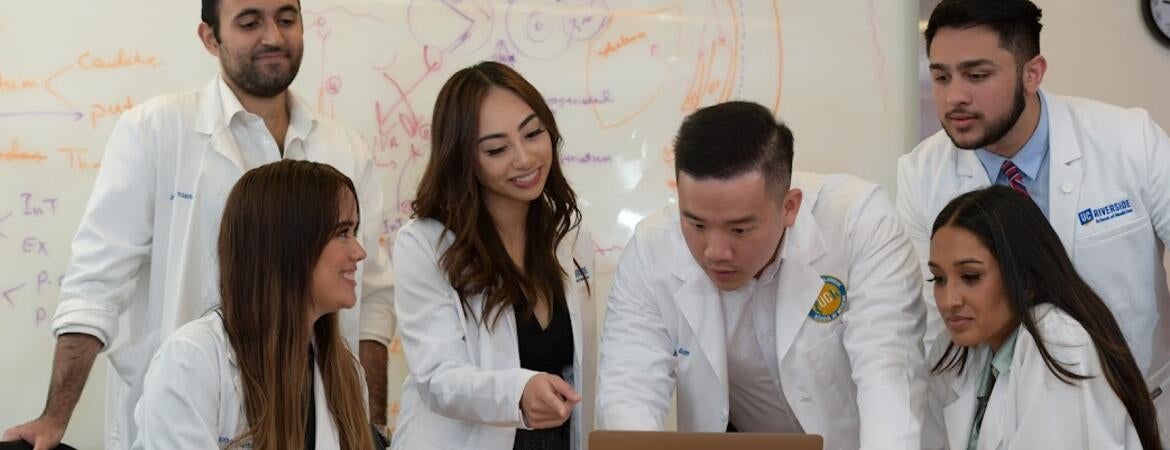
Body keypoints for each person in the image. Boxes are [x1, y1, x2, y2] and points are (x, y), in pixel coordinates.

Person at [2, 1, 395, 448]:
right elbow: (95, 286)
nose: (273, 36)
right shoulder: (156, 130)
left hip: (312, 399)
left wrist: (369, 431)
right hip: (191, 408)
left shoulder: (345, 148)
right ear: (211, 38)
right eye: (250, 22)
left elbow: (373, 305)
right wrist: (55, 418)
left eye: (287, 19)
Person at [896, 1, 1170, 438]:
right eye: (942, 76)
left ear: (1032, 72)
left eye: (977, 75)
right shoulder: (921, 176)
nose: (954, 96)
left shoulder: (1128, 140)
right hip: (1009, 416)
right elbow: (931, 325)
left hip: (1142, 409)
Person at [597, 101, 927, 450]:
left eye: (739, 230)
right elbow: (629, 392)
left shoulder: (856, 222)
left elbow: (888, 375)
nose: (715, 251)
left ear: (790, 207)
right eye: (695, 224)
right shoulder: (652, 248)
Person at [390, 61, 596, 450]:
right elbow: (437, 376)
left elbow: (580, 367)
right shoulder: (425, 245)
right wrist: (519, 391)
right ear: (464, 158)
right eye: (497, 149)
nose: (524, 158)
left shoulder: (569, 237)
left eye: (533, 133)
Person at [134, 160, 377, 449]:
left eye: (354, 231)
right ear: (288, 245)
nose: (359, 252)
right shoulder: (192, 361)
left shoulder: (346, 373)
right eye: (342, 233)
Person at [924, 186, 1161, 450]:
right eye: (939, 279)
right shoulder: (956, 351)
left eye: (970, 277)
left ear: (1026, 276)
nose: (949, 300)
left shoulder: (1057, 339)